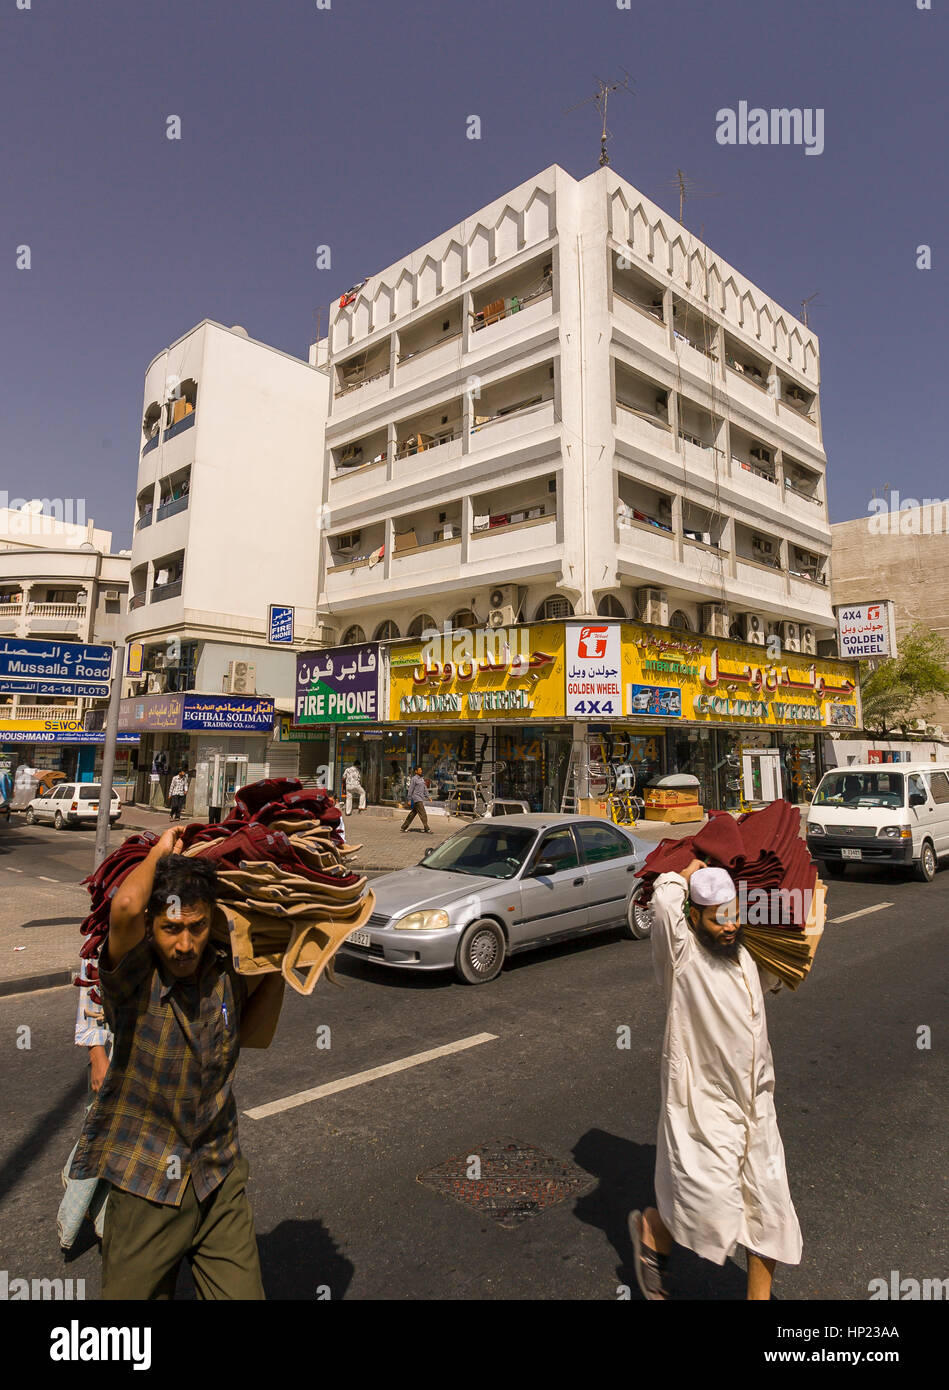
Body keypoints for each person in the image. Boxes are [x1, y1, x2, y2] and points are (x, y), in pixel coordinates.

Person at [68, 828, 285, 1299]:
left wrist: (276, 961)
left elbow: (254, 1036)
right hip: (146, 1183)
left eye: (197, 927)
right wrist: (160, 851)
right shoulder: (133, 978)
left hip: (217, 1176)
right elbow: (124, 908)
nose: (185, 944)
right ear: (152, 927)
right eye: (171, 928)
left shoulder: (224, 975)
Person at [630, 861, 801, 1302]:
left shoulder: (746, 956)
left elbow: (777, 977)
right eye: (717, 918)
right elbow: (666, 902)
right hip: (703, 1105)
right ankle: (653, 1228)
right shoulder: (682, 956)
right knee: (707, 1202)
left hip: (757, 1104)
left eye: (733, 914)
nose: (729, 926)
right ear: (695, 918)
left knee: (770, 1208)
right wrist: (685, 872)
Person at [58, 970, 114, 1249]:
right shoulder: (111, 925)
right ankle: (108, 1224)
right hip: (118, 1044)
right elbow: (92, 972)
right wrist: (96, 1053)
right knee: (107, 1136)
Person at [401, 766, 432, 833]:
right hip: (417, 798)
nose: (421, 771)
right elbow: (410, 790)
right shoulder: (414, 779)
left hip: (421, 798)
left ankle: (404, 827)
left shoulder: (421, 779)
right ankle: (427, 828)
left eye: (421, 770)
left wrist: (428, 797)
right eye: (419, 770)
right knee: (423, 813)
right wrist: (409, 799)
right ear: (416, 771)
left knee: (412, 814)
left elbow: (425, 788)